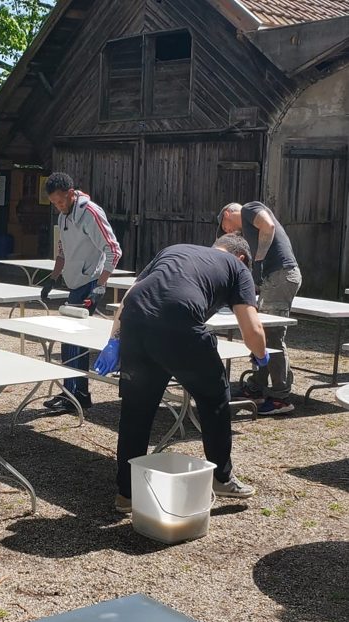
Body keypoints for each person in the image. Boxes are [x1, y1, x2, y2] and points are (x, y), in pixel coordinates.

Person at [93, 235, 268, 513]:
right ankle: (221, 477)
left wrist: (115, 340)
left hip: (135, 320)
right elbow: (253, 329)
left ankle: (127, 494)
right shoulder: (237, 269)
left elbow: (129, 296)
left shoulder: (175, 249)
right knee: (215, 399)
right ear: (242, 258)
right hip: (180, 320)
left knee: (136, 410)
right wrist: (261, 356)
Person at [40, 171, 122, 412]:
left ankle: (77, 394)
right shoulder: (63, 217)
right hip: (73, 282)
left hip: (90, 281)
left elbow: (113, 250)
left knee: (73, 340)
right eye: (54, 203)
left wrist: (101, 285)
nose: (58, 206)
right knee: (69, 339)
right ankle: (73, 393)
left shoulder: (91, 213)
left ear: (72, 193)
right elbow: (62, 250)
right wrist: (53, 278)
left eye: (61, 201)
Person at [218, 202, 301, 415]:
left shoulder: (249, 208)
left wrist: (259, 258)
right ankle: (257, 387)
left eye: (225, 226)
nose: (228, 231)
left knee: (272, 335)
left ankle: (280, 397)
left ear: (228, 214)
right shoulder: (246, 228)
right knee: (262, 330)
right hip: (274, 278)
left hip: (281, 275)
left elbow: (268, 226)